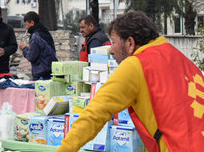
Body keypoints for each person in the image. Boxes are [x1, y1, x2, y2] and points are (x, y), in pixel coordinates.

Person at [57, 12, 204, 152]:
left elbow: (94, 114)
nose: (111, 50)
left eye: (113, 42)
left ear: (130, 43)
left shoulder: (136, 65)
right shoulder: (177, 56)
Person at [18, 11, 57, 80]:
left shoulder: (35, 36)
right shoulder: (45, 32)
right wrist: (29, 48)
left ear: (32, 23)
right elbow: (43, 50)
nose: (26, 28)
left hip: (41, 73)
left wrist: (24, 48)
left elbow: (31, 57)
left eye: (26, 25)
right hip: (51, 70)